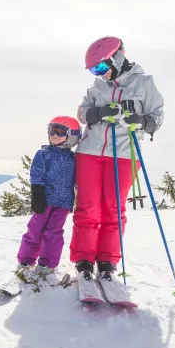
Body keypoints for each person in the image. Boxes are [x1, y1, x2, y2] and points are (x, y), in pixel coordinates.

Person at [71, 36, 164, 284]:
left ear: (117, 57)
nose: (99, 74)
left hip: (124, 154)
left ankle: (107, 261)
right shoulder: (97, 87)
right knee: (88, 208)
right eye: (93, 70)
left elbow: (157, 115)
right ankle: (83, 260)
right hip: (89, 153)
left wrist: (143, 122)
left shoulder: (144, 84)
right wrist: (99, 112)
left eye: (101, 67)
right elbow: (81, 113)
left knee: (113, 209)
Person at [14, 116, 80, 283]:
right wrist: (37, 195)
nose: (54, 135)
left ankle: (47, 265)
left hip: (63, 203)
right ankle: (25, 261)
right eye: (52, 131)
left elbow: (78, 179)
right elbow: (36, 174)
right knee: (35, 230)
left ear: (71, 136)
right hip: (45, 200)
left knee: (54, 233)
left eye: (60, 132)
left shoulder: (74, 159)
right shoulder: (44, 154)